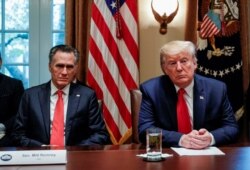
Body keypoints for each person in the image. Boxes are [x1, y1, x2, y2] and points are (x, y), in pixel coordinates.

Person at [138, 40, 239, 149]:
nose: (179, 68)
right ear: (165, 69)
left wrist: (210, 137)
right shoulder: (152, 90)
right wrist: (181, 139)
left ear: (195, 64)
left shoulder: (216, 89)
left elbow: (232, 128)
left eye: (184, 61)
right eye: (172, 63)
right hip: (169, 157)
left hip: (206, 157)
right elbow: (145, 131)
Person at [12, 44, 110, 147]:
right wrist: (42, 148)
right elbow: (17, 135)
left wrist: (73, 150)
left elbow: (100, 134)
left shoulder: (87, 96)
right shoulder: (31, 96)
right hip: (40, 156)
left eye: (69, 67)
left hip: (75, 157)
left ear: (76, 69)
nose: (64, 72)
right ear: (50, 67)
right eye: (59, 66)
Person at [0, 55, 24, 147]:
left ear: (0, 62)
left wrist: (3, 126)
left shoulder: (14, 85)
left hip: (6, 137)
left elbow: (21, 114)